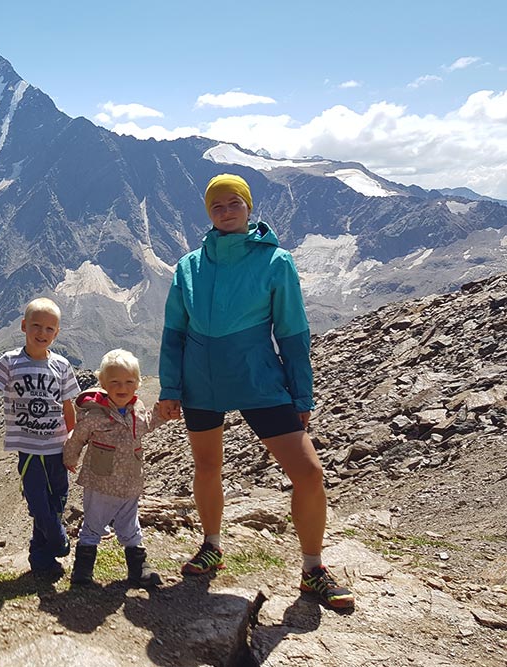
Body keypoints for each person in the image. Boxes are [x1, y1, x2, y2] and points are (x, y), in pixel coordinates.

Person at [157, 174, 355, 610]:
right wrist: (170, 387)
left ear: (249, 207)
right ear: (208, 213)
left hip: (259, 380)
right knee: (207, 467)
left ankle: (312, 568)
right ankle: (211, 546)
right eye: (217, 207)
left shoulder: (276, 262)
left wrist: (302, 395)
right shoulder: (189, 265)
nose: (226, 212)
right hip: (200, 384)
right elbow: (174, 332)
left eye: (234, 204)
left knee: (308, 473)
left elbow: (292, 333)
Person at [0, 297, 80, 578]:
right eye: (36, 326)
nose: (42, 333)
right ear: (24, 326)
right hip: (28, 451)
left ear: (57, 332)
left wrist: (72, 442)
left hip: (57, 449)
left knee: (57, 501)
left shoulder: (62, 366)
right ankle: (57, 540)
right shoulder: (10, 361)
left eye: (49, 329)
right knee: (38, 502)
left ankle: (41, 559)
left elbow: (68, 409)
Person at [63, 349, 166, 587]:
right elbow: (77, 437)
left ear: (138, 383)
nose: (122, 387)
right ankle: (83, 569)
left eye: (129, 381)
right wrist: (71, 457)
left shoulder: (137, 410)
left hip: (130, 481)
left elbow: (147, 424)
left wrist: (162, 413)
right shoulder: (95, 415)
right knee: (94, 523)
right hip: (100, 481)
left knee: (130, 524)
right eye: (115, 382)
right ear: (103, 384)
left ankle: (138, 567)